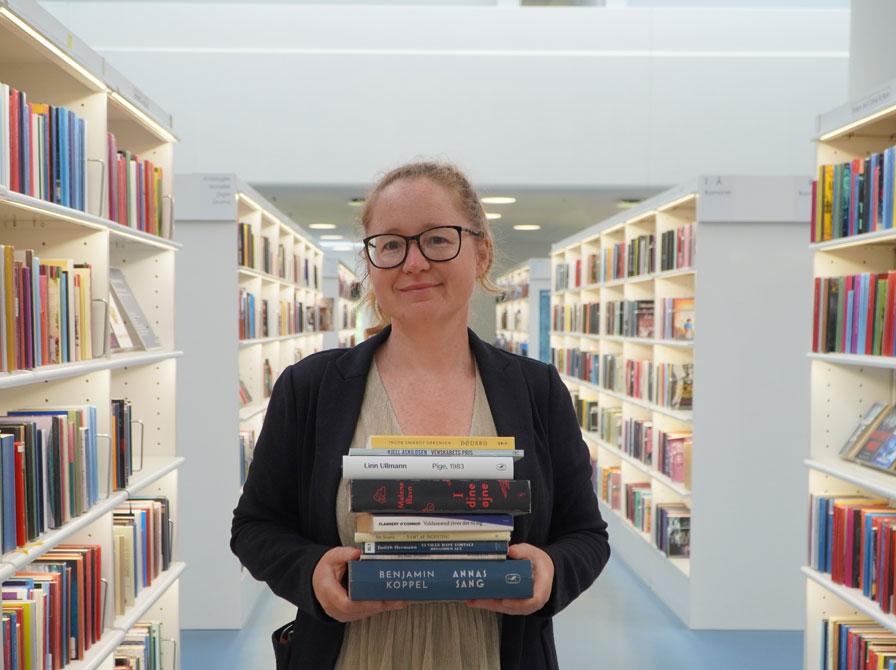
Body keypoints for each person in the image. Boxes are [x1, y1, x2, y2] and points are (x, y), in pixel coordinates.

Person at [230, 161, 611, 669]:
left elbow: (586, 535)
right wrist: (312, 571)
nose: (413, 263)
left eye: (436, 239)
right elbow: (255, 527)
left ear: (481, 252)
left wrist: (551, 572)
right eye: (390, 244)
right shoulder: (310, 388)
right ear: (371, 263)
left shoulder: (536, 389)